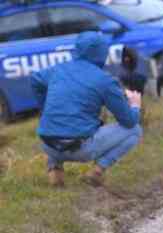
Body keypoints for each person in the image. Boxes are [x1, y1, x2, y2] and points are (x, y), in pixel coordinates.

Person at [32, 31, 143, 188]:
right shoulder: (105, 80)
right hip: (81, 149)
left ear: (76, 49)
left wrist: (43, 108)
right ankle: (97, 171)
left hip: (47, 145)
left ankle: (55, 170)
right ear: (103, 53)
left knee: (57, 123)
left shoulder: (57, 70)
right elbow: (129, 121)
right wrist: (135, 105)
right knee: (135, 131)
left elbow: (35, 79)